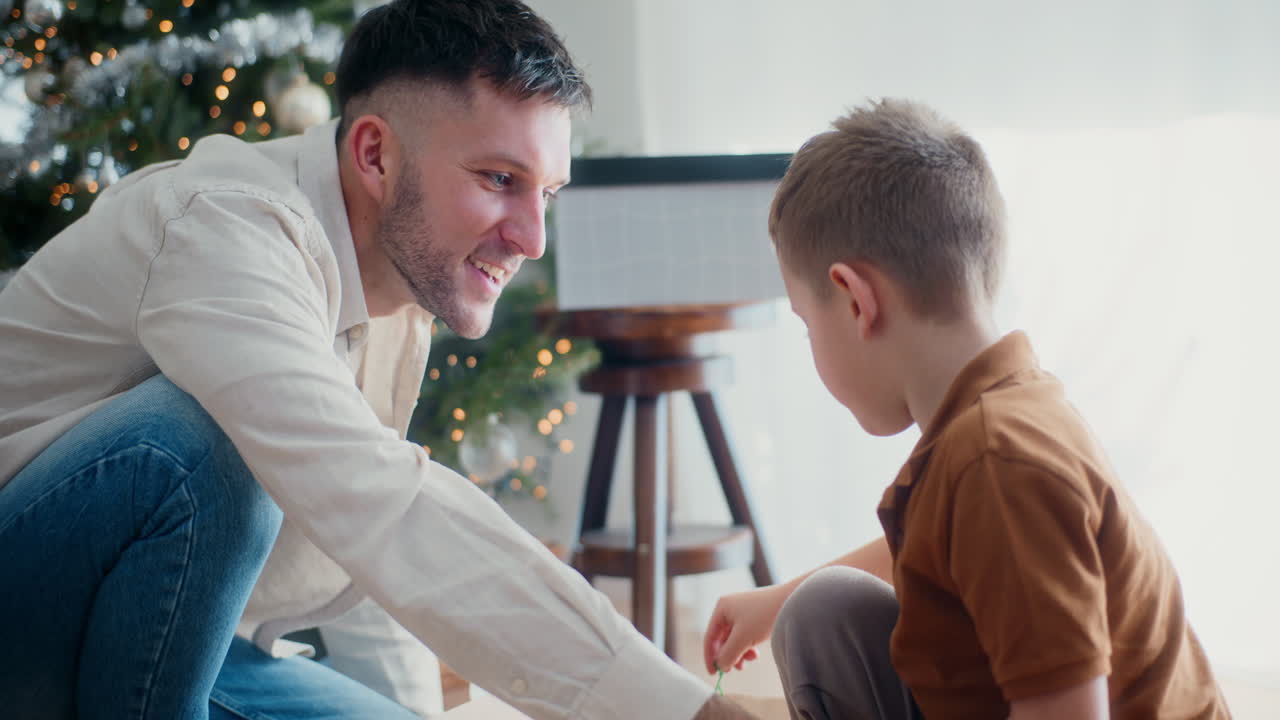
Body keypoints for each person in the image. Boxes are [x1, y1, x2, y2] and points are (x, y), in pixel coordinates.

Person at [0, 1, 756, 718]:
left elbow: (365, 547)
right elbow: (384, 505)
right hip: (25, 610)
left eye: (547, 194)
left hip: (182, 639)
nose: (533, 239)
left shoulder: (392, 285)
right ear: (374, 154)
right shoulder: (228, 229)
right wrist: (681, 710)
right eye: (500, 180)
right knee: (199, 449)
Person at [701, 99, 1231, 720]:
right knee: (820, 610)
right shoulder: (1000, 414)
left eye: (804, 323)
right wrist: (775, 600)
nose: (810, 343)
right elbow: (935, 550)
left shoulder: (999, 462)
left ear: (853, 298)